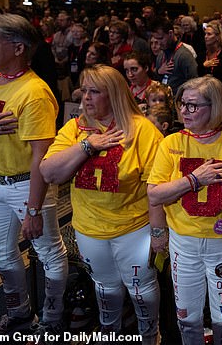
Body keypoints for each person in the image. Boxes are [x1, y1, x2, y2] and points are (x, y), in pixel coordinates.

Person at [0, 13, 68, 336]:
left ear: (18, 47)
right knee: (1, 252)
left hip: (29, 185)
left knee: (48, 253)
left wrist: (33, 209)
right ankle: (20, 313)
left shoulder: (34, 93)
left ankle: (52, 317)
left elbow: (40, 159)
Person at [40, 65, 162, 344]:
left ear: (115, 94)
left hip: (134, 228)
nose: (86, 97)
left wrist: (158, 233)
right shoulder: (75, 128)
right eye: (84, 90)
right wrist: (88, 145)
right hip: (89, 228)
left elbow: (155, 190)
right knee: (105, 287)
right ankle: (110, 333)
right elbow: (49, 172)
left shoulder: (143, 131)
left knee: (141, 289)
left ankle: (150, 336)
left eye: (95, 91)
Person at [147, 76, 222, 344]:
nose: (185, 112)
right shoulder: (170, 144)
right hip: (183, 243)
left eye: (193, 106)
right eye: (182, 104)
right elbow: (154, 194)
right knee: (187, 315)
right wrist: (194, 180)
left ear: (216, 106)